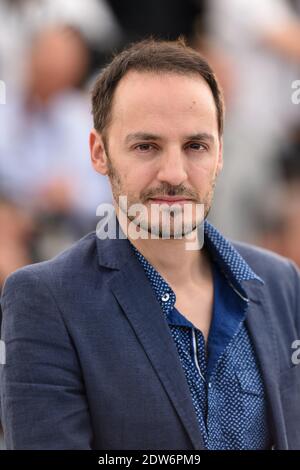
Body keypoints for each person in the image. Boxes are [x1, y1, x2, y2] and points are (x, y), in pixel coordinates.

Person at [0, 39, 299, 450]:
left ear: (220, 154)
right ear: (99, 153)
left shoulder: (281, 283)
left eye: (196, 146)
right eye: (146, 146)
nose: (173, 172)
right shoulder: (46, 300)